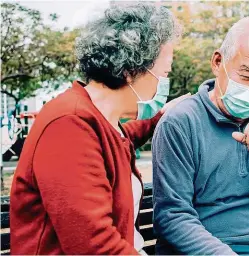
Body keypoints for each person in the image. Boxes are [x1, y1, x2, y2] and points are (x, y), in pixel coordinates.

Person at [10, 3, 186, 255]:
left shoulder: (99, 120)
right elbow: (93, 246)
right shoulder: (68, 125)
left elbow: (117, 140)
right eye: (164, 73)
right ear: (130, 71)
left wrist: (161, 115)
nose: (164, 83)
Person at [152, 17, 249, 255]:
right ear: (218, 62)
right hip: (203, 248)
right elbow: (172, 216)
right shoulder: (181, 122)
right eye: (246, 76)